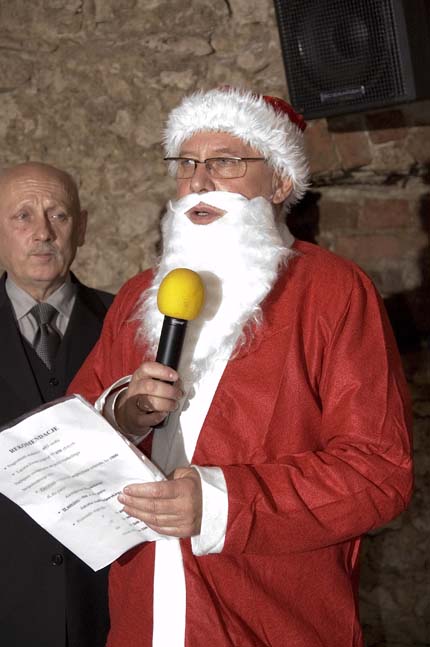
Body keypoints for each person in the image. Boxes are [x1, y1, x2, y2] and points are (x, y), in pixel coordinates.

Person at [69, 87, 413, 647]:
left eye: (226, 162)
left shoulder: (334, 293)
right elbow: (69, 435)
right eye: (186, 163)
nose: (199, 182)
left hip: (272, 623)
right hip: (142, 618)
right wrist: (121, 414)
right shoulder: (137, 295)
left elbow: (378, 473)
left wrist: (220, 503)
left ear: (280, 183)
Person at [0, 161, 112, 647]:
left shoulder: (128, 322)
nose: (43, 233)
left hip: (106, 605)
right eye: (22, 216)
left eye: (58, 215)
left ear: (81, 227)